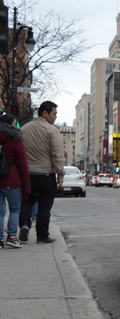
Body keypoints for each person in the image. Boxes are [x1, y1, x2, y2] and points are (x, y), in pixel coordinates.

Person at [18, 101, 64, 244]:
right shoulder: (51, 130)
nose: (55, 117)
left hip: (27, 174)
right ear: (45, 113)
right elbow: (57, 154)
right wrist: (60, 173)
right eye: (54, 114)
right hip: (45, 175)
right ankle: (42, 235)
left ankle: (24, 224)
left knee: (26, 201)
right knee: (45, 207)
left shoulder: (24, 129)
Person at [0, 112, 30, 249]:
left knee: (0, 212)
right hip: (12, 181)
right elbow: (23, 165)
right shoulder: (15, 140)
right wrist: (26, 185)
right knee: (15, 209)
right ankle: (12, 237)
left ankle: (0, 239)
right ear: (10, 124)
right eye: (15, 123)